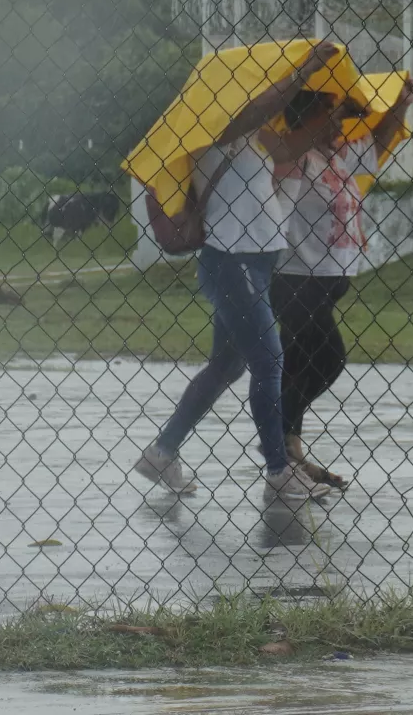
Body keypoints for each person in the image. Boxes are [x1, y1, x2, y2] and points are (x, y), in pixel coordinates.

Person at [132, 40, 354, 502]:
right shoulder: (214, 127)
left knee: (226, 366)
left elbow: (292, 144)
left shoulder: (252, 139)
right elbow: (262, 107)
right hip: (231, 263)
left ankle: (161, 452)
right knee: (269, 359)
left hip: (253, 262)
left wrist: (330, 118)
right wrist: (304, 69)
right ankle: (278, 470)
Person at [271, 77, 413, 489]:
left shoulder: (333, 155)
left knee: (297, 365)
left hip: (323, 280)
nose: (340, 125)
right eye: (330, 114)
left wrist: (399, 105)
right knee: (329, 357)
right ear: (309, 117)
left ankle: (287, 456)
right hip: (296, 278)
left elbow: (375, 146)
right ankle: (278, 446)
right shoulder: (294, 160)